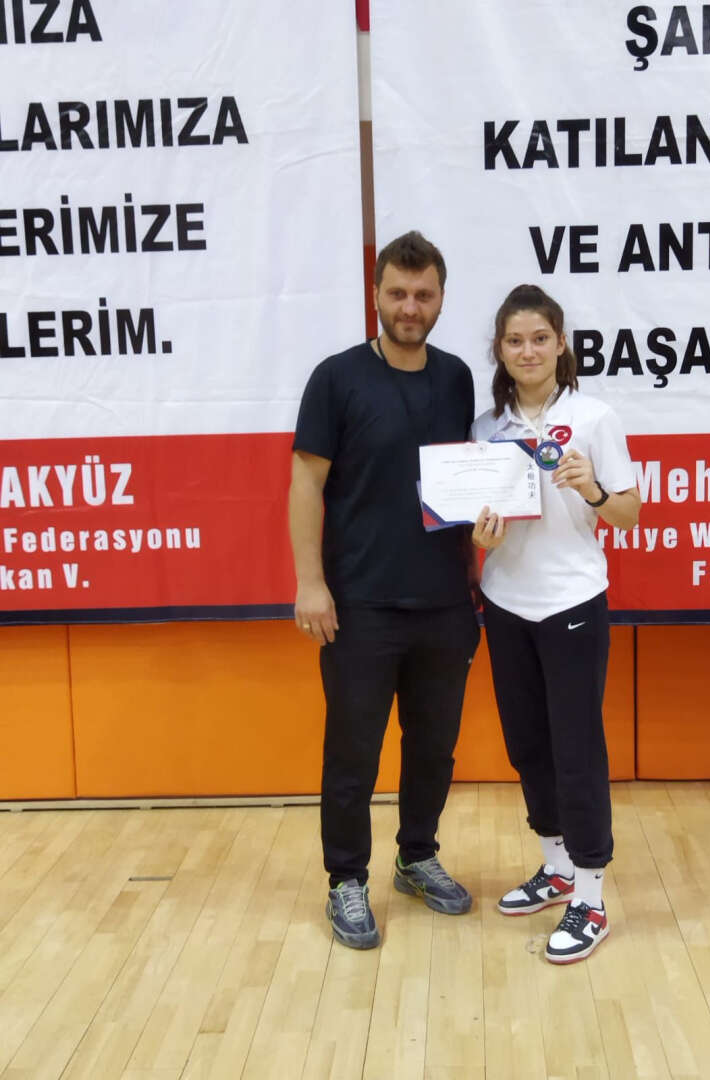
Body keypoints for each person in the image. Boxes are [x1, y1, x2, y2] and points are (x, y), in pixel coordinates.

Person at [288, 231, 480, 949]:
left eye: (423, 295)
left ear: (441, 299)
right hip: (360, 605)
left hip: (446, 604)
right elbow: (305, 483)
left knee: (434, 749)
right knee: (353, 754)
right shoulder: (336, 377)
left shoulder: (458, 377)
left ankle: (416, 856)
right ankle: (346, 878)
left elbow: (469, 480)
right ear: (375, 295)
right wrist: (311, 583)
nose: (409, 306)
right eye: (397, 293)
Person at [471, 284, 640, 964]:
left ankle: (591, 898)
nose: (528, 350)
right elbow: (476, 516)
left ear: (561, 343)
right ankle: (557, 866)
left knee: (577, 749)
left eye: (540, 338)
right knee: (527, 745)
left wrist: (592, 488)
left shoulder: (594, 417)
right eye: (515, 340)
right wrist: (479, 536)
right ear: (500, 349)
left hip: (572, 601)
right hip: (506, 600)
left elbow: (628, 513)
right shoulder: (486, 427)